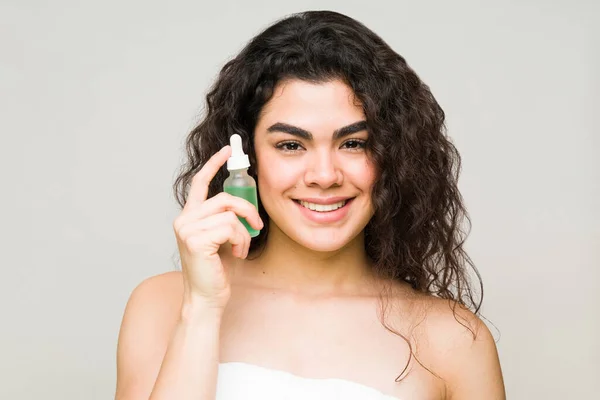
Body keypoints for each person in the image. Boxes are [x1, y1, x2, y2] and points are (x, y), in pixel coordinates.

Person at [115, 10, 505, 400]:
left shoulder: (454, 342)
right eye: (291, 145)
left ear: (394, 154)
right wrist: (201, 309)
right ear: (247, 158)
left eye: (353, 143)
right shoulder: (162, 305)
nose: (324, 175)